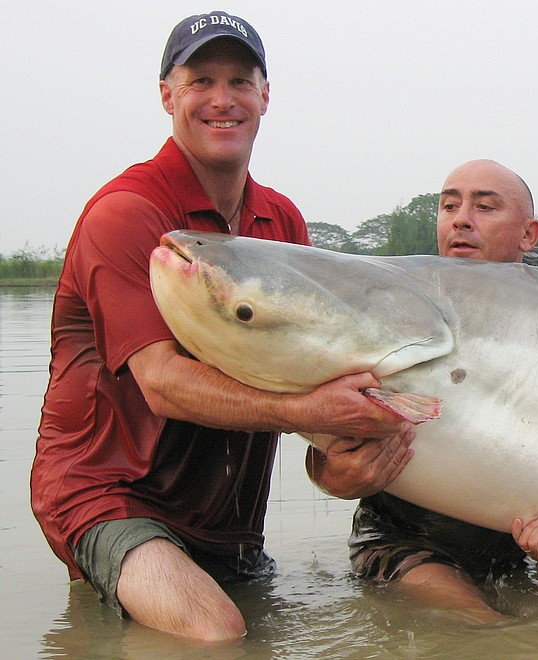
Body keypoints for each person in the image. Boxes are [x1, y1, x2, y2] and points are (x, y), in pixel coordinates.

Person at [30, 12, 413, 643]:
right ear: (167, 95)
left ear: (265, 96)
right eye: (200, 78)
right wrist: (307, 410)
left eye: (240, 80)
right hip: (108, 492)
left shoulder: (281, 222)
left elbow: (310, 384)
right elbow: (162, 384)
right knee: (214, 633)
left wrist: (336, 466)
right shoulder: (126, 215)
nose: (222, 99)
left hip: (228, 523)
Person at [308, 159, 538, 623]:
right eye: (449, 206)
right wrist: (331, 476)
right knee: (489, 629)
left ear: (529, 235)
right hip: (403, 547)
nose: (461, 219)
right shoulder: (387, 316)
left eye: (484, 207)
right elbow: (320, 430)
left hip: (514, 557)